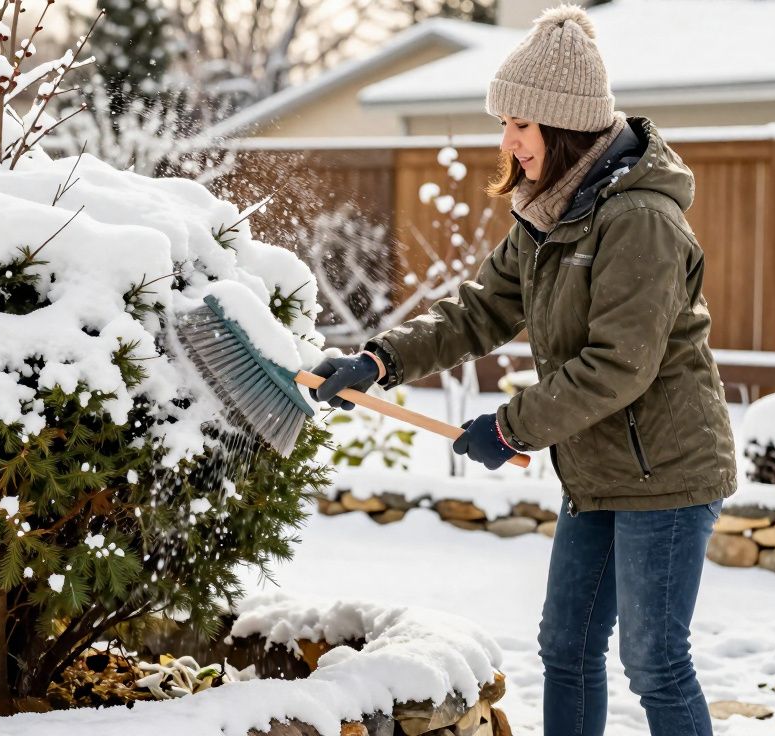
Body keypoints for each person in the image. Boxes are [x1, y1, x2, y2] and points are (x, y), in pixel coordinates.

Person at [308, 5, 736, 735]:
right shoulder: (550, 213)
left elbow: (617, 367)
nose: (506, 140)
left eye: (520, 125)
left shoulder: (638, 220)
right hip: (596, 466)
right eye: (504, 122)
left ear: (563, 126)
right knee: (565, 650)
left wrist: (509, 428)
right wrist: (379, 360)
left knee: (655, 661)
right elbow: (478, 309)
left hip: (665, 470)